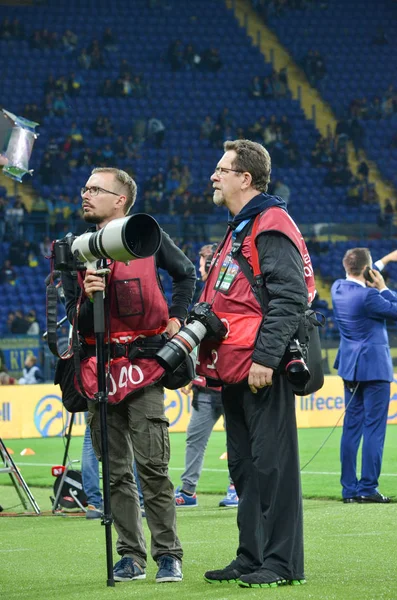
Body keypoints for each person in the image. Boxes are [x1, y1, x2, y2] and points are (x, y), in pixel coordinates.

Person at [61, 167, 196, 583]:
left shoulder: (147, 237)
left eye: (95, 189)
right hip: (96, 369)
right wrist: (88, 296)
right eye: (84, 187)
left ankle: (168, 555)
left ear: (121, 199)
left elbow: (187, 273)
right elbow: (74, 319)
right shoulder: (74, 249)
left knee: (152, 466)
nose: (85, 194)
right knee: (113, 471)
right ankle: (130, 556)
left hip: (144, 367)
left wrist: (176, 317)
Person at [197, 139, 311, 588]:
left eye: (222, 169)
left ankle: (282, 563)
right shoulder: (242, 225)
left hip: (260, 365)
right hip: (233, 364)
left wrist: (267, 358)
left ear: (245, 178)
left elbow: (291, 296)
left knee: (272, 466)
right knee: (245, 467)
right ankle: (251, 555)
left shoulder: (270, 222)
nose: (214, 175)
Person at [331, 248, 397, 504]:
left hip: (350, 368)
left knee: (351, 428)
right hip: (374, 369)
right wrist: (382, 288)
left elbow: (358, 270)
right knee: (374, 429)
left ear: (345, 266)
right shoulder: (370, 296)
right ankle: (367, 488)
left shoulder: (337, 288)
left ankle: (349, 490)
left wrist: (386, 260)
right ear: (368, 271)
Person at [175, 244, 238, 509]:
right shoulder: (203, 294)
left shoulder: (223, 294)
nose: (199, 268)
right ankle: (188, 491)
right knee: (195, 439)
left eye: (201, 263)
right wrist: (191, 374)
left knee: (236, 440)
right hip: (205, 386)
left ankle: (237, 488)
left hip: (230, 383)